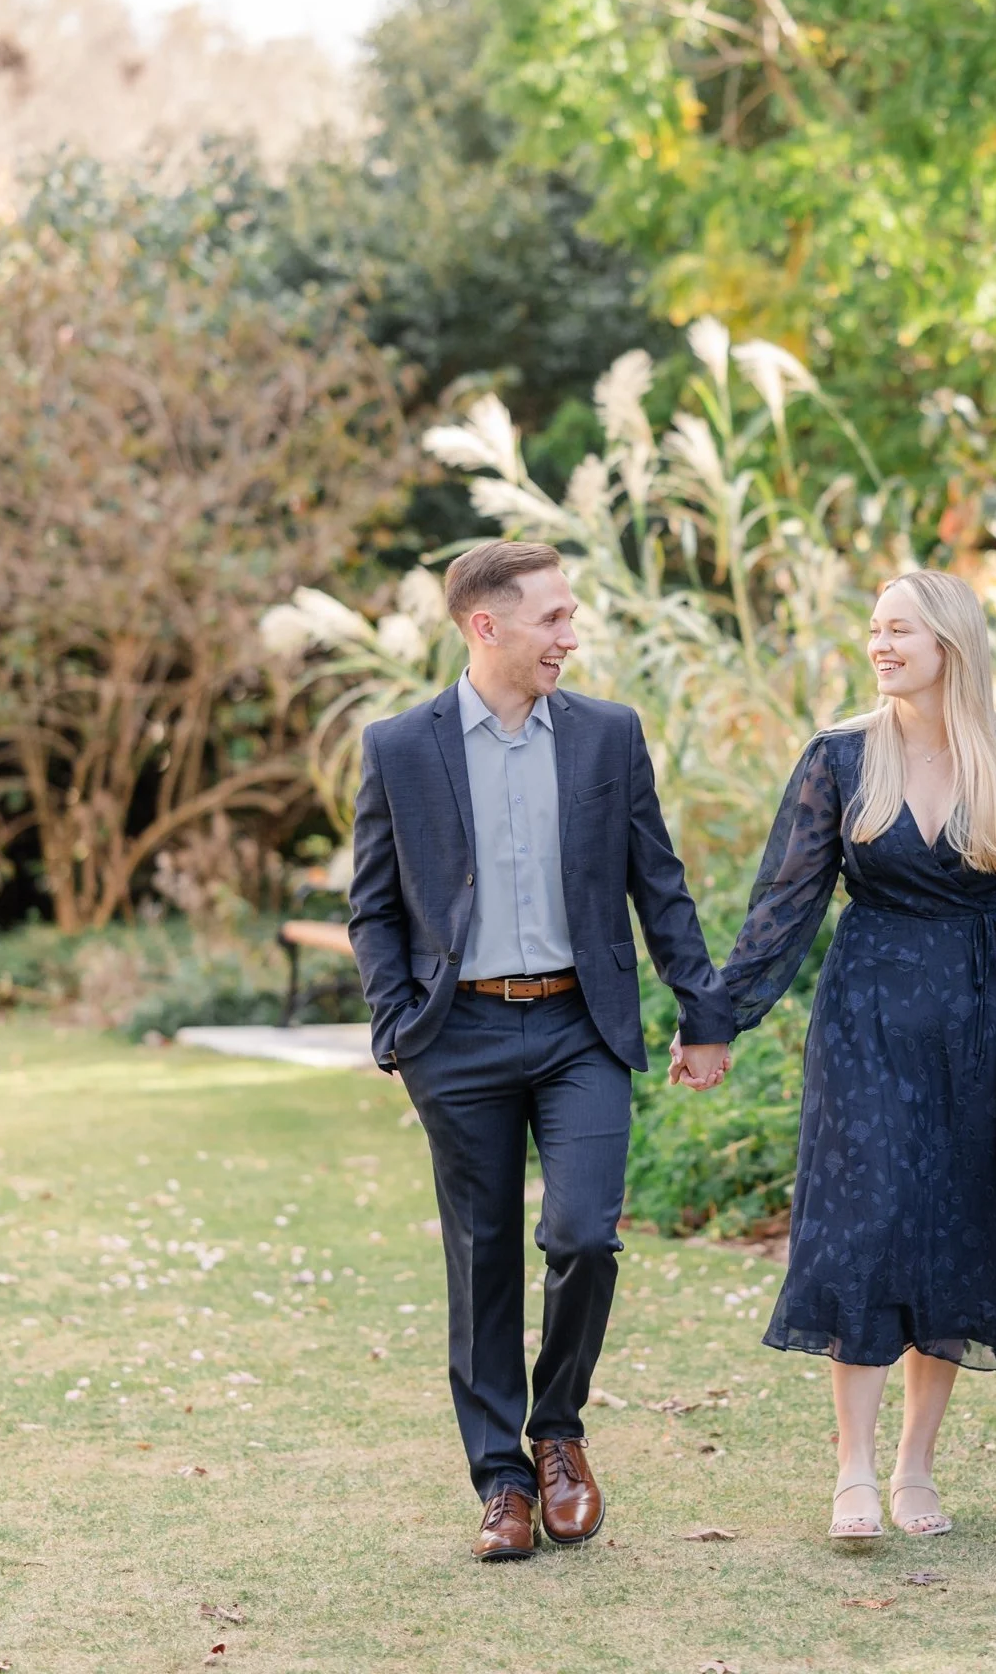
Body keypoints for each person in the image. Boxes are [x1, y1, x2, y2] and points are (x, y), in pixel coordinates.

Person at [701, 569, 996, 1541]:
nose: (879, 644)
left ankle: (913, 1467)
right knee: (861, 1224)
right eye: (873, 629)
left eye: (898, 628)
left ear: (949, 639)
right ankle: (850, 1465)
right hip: (865, 1019)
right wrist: (719, 1017)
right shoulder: (840, 757)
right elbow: (782, 905)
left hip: (980, 1024)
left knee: (949, 1232)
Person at [349, 540, 732, 1562]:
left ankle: (557, 1430)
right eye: (553, 617)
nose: (571, 634)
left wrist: (703, 1009)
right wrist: (397, 1028)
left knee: (583, 1234)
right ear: (487, 625)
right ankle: (502, 1482)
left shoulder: (608, 735)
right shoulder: (399, 745)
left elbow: (660, 881)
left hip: (580, 1028)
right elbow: (373, 904)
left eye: (571, 614)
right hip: (456, 1035)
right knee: (479, 1261)